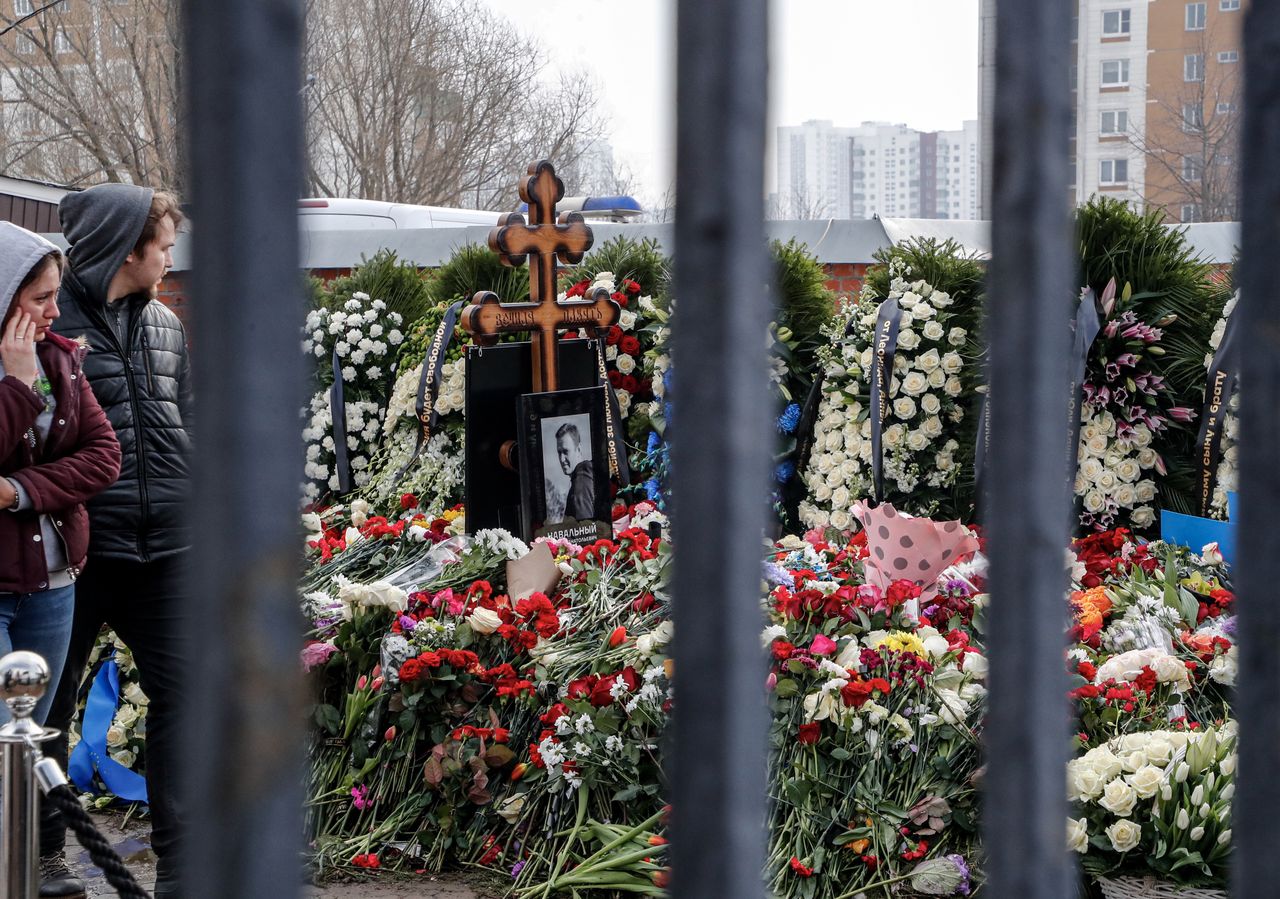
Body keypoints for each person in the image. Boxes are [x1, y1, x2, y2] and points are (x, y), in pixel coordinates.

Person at [42, 184, 192, 899]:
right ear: (129, 246)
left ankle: (184, 866)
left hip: (164, 548)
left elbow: (182, 420)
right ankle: (42, 856)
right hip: (78, 548)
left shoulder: (166, 325)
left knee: (182, 695)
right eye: (163, 243)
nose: (170, 256)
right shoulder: (48, 325)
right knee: (48, 702)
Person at [0, 221, 121, 899]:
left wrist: (19, 490)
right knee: (3, 734)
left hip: (51, 581)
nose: (54, 311)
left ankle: (30, 864)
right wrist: (17, 388)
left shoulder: (63, 357)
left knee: (32, 742)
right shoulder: (27, 368)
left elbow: (102, 456)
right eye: (41, 297)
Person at [556, 421, 595, 520]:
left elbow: (584, 525)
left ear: (578, 450)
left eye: (565, 452)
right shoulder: (581, 476)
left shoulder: (582, 475)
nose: (562, 459)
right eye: (559, 452)